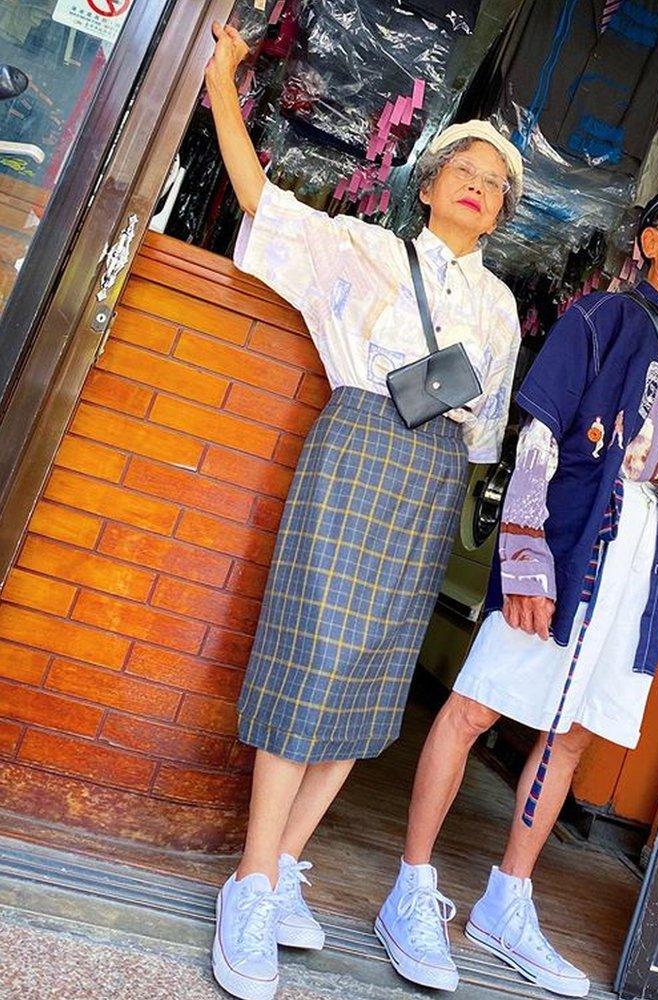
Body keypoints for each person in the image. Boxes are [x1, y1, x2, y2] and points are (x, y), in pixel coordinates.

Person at [376, 180, 658, 996]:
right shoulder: (599, 319)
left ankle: (506, 901)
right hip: (570, 547)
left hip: (644, 565)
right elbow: (539, 436)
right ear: (651, 241)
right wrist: (524, 558)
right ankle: (411, 887)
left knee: (575, 731)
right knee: (478, 704)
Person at [202, 23, 524, 1000]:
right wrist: (222, 78)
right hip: (354, 448)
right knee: (311, 653)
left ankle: (287, 863)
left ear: (501, 210)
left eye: (494, 182)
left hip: (428, 485)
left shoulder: (504, 308)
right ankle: (249, 884)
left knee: (374, 677)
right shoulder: (363, 252)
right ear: (426, 183)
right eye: (461, 169)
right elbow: (259, 202)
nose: (476, 185)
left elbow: (479, 436)